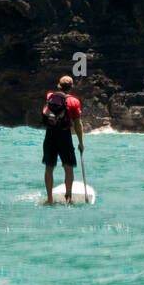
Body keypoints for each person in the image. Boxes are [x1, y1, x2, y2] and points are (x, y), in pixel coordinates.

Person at [42, 75, 84, 204]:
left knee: (49, 168)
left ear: (59, 85)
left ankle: (49, 199)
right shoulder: (74, 101)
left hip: (50, 135)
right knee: (68, 168)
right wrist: (81, 142)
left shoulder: (50, 96)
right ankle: (68, 198)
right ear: (71, 87)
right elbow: (77, 124)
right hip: (64, 136)